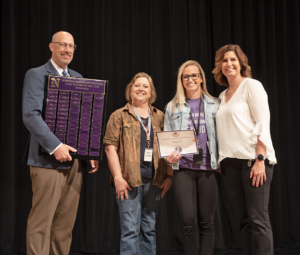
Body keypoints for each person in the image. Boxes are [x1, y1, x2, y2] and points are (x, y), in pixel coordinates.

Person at [22, 31, 99, 255]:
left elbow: (86, 117)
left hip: (75, 161)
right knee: (41, 223)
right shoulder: (36, 75)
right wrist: (56, 146)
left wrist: (90, 149)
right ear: (51, 47)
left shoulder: (79, 78)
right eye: (62, 45)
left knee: (64, 227)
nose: (67, 50)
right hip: (47, 159)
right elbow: (30, 115)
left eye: (71, 46)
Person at [212, 44, 277, 255]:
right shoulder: (222, 96)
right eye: (224, 60)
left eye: (233, 60)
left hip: (253, 160)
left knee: (258, 220)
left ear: (241, 63)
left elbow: (262, 123)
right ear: (219, 66)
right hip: (230, 163)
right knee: (244, 221)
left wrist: (260, 158)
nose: (228, 64)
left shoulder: (252, 86)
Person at [104, 72, 172, 255]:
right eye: (137, 85)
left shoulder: (160, 117)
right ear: (130, 90)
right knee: (130, 231)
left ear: (151, 93)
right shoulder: (119, 115)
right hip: (128, 181)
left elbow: (169, 149)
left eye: (145, 86)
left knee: (149, 230)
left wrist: (169, 176)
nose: (141, 89)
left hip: (155, 181)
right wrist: (117, 177)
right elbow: (110, 149)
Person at [164, 60, 220, 255]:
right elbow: (167, 140)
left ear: (201, 78)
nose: (190, 79)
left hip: (208, 169)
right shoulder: (172, 107)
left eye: (194, 75)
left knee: (207, 222)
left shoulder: (215, 104)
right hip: (183, 170)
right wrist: (168, 158)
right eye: (186, 76)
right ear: (182, 80)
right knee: (188, 222)